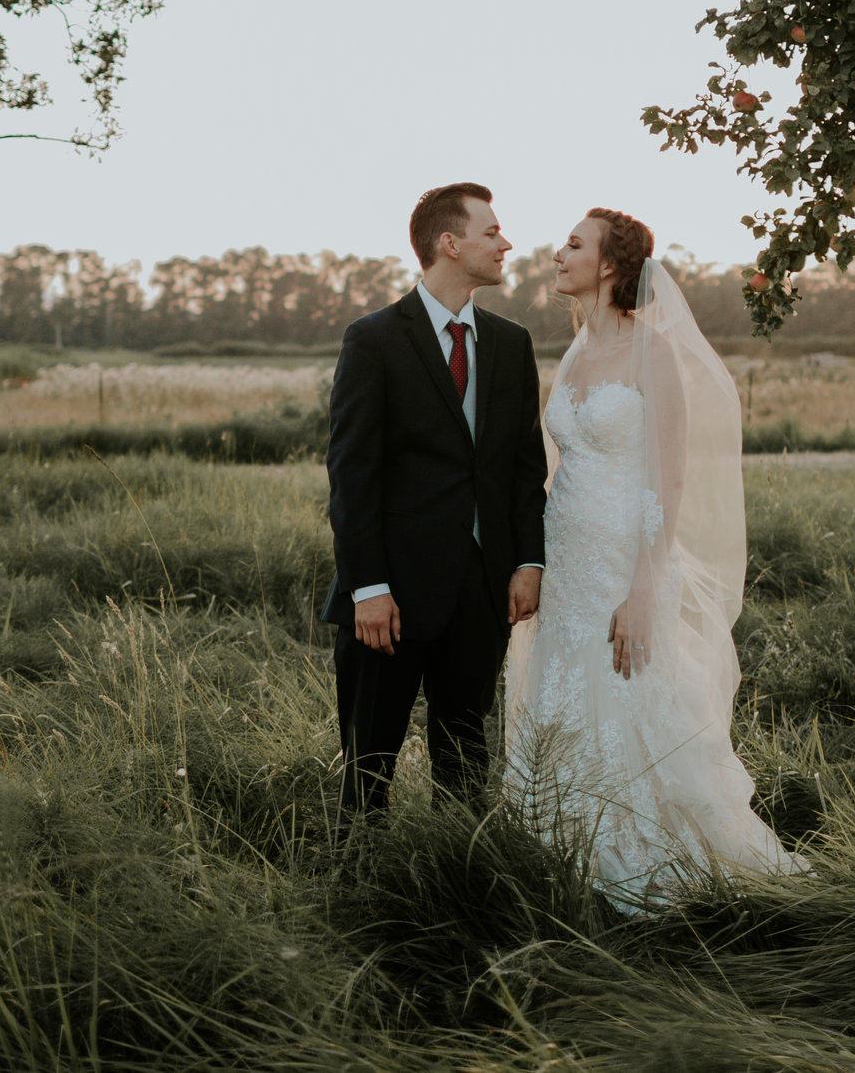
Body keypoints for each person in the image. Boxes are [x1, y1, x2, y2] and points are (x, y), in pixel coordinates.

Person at [504, 207, 805, 908]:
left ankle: (657, 863)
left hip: (624, 567)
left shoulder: (654, 352)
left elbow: (667, 478)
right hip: (569, 565)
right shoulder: (576, 350)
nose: (559, 252)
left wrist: (643, 589)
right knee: (565, 707)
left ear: (609, 265)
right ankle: (567, 860)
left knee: (632, 705)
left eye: (573, 244)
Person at [323, 182, 549, 822]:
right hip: (388, 599)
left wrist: (529, 561)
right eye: (491, 232)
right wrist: (368, 586)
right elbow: (352, 473)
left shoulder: (511, 343)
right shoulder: (373, 340)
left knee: (467, 772)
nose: (506, 243)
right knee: (368, 772)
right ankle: (359, 894)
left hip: (482, 593)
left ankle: (457, 896)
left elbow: (523, 467)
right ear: (449, 244)